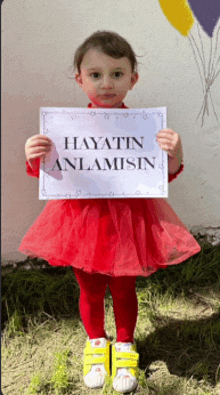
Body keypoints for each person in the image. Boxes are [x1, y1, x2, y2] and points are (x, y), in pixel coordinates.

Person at [19, 31, 201, 393]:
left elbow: (163, 175)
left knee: (123, 289)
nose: (106, 84)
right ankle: (96, 343)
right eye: (96, 74)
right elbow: (53, 176)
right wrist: (33, 155)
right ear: (80, 78)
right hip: (81, 223)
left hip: (127, 224)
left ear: (133, 79)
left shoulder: (144, 129)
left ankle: (125, 345)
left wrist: (175, 153)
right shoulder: (64, 130)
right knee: (88, 289)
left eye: (117, 74)